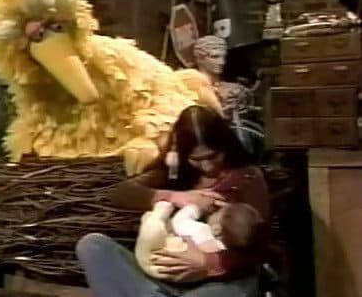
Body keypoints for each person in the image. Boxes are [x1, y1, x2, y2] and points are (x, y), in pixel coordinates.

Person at [76, 105, 270, 297]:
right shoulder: (174, 174)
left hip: (219, 283)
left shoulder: (248, 178)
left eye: (213, 156)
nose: (207, 165)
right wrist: (176, 197)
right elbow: (121, 192)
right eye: (196, 159)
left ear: (225, 145)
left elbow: (258, 252)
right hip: (160, 280)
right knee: (92, 246)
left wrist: (208, 263)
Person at [135, 200, 264, 280]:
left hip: (158, 261)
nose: (213, 212)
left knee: (154, 226)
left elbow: (179, 221)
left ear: (217, 229)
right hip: (182, 278)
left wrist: (195, 208)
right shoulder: (223, 249)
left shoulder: (201, 231)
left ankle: (157, 215)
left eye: (217, 213)